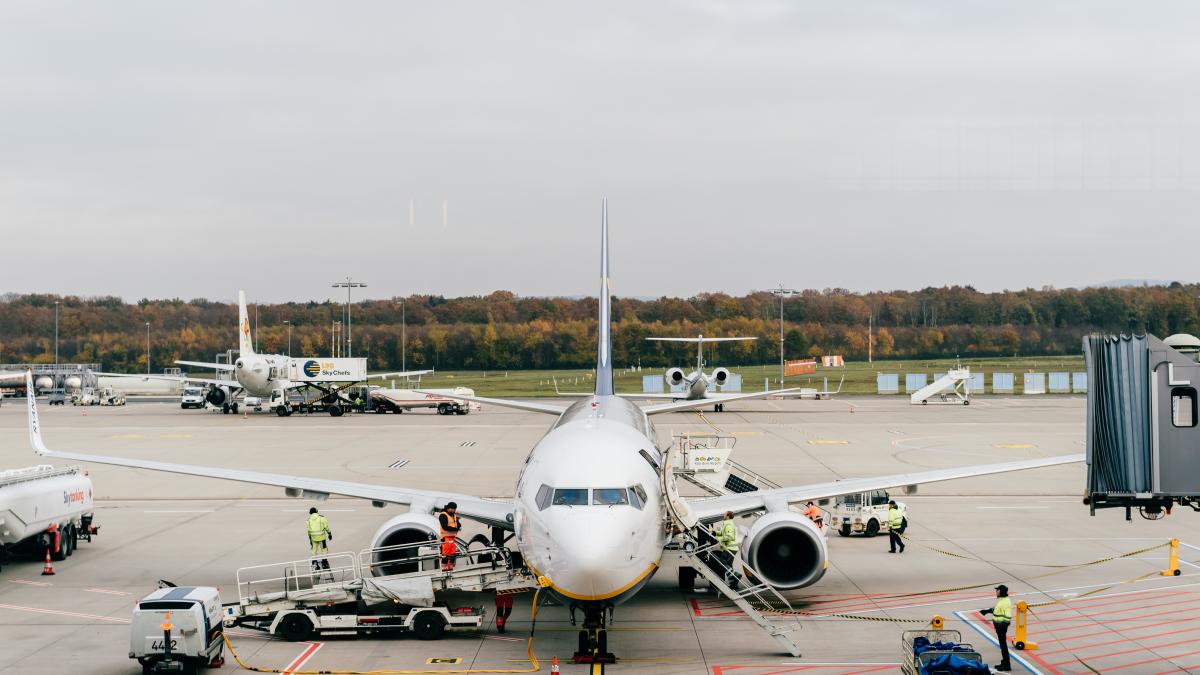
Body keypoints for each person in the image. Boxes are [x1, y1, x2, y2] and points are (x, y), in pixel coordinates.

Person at [981, 584, 1014, 671]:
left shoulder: (1005, 602)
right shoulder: (1002, 600)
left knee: (1003, 646)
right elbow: (996, 610)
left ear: (1001, 592)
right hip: (999, 627)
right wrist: (987, 611)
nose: (996, 591)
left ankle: (1007, 665)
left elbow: (1008, 616)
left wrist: (1002, 626)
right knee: (1002, 645)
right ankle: (1004, 662)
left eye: (997, 590)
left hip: (1001, 627)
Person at [713, 511, 741, 589]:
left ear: (728, 516)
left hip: (730, 548)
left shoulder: (729, 525)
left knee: (721, 564)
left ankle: (736, 575)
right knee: (729, 566)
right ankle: (734, 585)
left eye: (724, 514)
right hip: (731, 548)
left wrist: (718, 538)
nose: (723, 515)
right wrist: (716, 532)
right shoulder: (727, 524)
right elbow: (723, 533)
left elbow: (729, 537)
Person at [306, 507, 332, 571]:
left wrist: (310, 540)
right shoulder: (322, 518)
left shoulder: (308, 520)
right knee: (324, 550)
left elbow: (308, 531)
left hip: (313, 538)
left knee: (314, 550)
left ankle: (315, 563)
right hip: (322, 537)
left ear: (310, 513)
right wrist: (329, 533)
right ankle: (324, 562)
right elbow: (326, 527)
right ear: (317, 511)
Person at [438, 502, 462, 572]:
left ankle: (450, 567)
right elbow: (444, 527)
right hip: (446, 538)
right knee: (445, 554)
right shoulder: (443, 515)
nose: (454, 510)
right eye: (453, 509)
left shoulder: (453, 515)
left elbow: (458, 524)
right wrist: (455, 529)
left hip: (452, 538)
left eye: (455, 509)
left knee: (452, 553)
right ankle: (444, 568)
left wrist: (458, 524)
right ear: (449, 508)